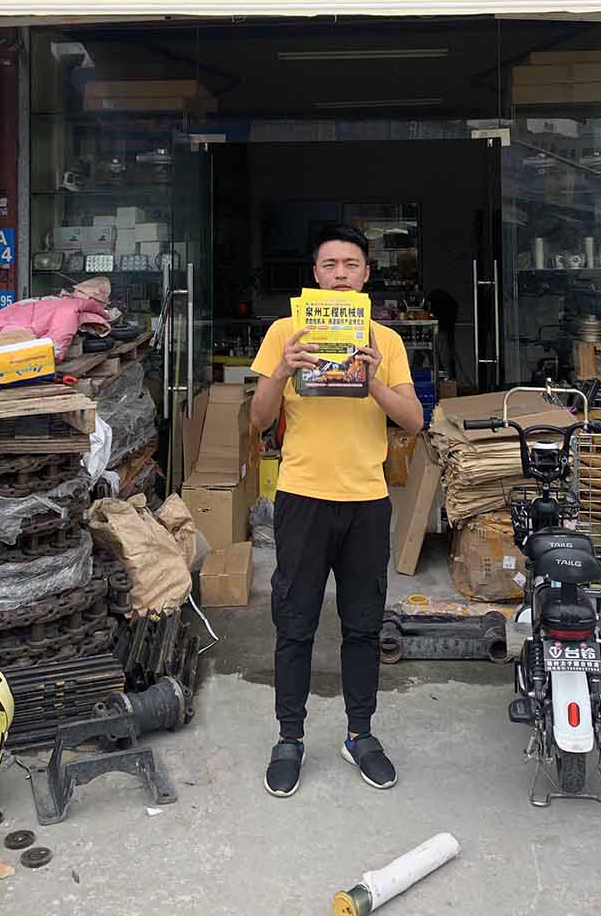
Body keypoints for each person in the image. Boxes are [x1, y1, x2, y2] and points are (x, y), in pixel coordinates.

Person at [250, 223, 424, 799]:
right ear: (315, 274)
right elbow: (257, 420)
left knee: (363, 624)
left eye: (351, 264)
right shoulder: (285, 331)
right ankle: (289, 738)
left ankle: (360, 734)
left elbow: (414, 421)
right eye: (330, 264)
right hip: (302, 497)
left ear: (367, 275)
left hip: (366, 502)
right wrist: (283, 369)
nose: (341, 274)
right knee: (294, 621)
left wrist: (372, 379)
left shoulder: (385, 341)